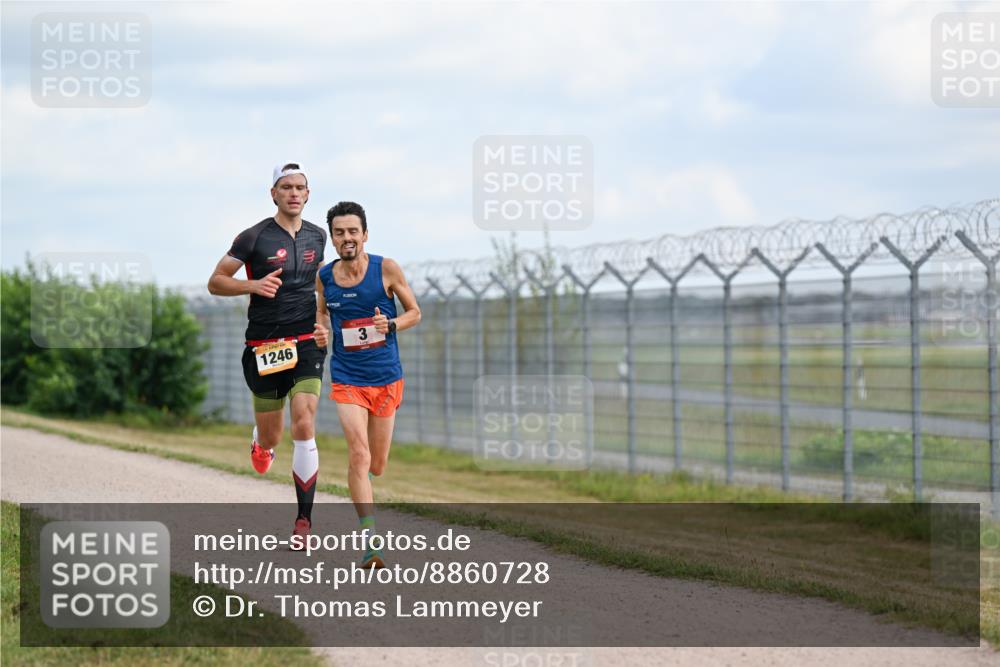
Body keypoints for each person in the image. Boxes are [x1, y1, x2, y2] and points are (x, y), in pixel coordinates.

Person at [207, 162, 329, 545]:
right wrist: (253, 285)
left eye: (300, 187)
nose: (294, 193)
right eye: (286, 187)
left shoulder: (318, 236)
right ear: (273, 193)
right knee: (275, 437)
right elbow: (216, 282)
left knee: (304, 424)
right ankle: (261, 442)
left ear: (308, 194)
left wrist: (323, 321)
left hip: (306, 341)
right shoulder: (253, 237)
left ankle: (303, 521)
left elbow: (323, 284)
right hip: (265, 346)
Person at [317, 201, 421, 568]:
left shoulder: (386, 269)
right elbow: (322, 314)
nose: (347, 238)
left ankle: (370, 492)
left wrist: (390, 325)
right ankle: (370, 541)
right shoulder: (325, 276)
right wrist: (321, 330)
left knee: (376, 464)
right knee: (358, 456)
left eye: (353, 231)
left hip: (385, 377)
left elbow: (415, 312)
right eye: (340, 232)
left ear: (364, 234)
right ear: (332, 238)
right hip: (347, 377)